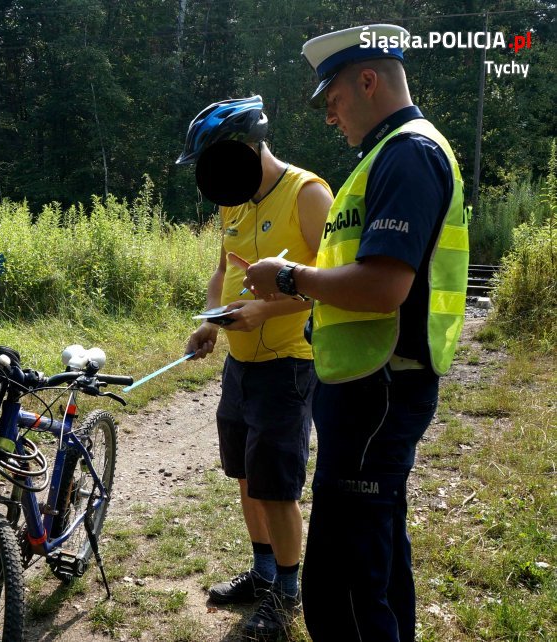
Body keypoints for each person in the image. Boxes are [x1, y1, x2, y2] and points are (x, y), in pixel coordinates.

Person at [244, 24, 468, 641]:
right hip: (367, 386)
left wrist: (288, 276)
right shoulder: (386, 155)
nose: (329, 116)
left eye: (334, 98)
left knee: (343, 579)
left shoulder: (407, 154)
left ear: (368, 81)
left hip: (380, 388)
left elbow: (383, 286)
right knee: (376, 555)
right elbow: (357, 274)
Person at [179, 96, 333, 641]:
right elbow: (221, 268)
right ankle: (263, 573)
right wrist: (211, 321)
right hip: (240, 366)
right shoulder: (234, 200)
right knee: (247, 476)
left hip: (288, 366)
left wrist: (264, 311)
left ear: (247, 146)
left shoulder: (308, 194)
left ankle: (287, 596)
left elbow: (333, 285)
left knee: (277, 487)